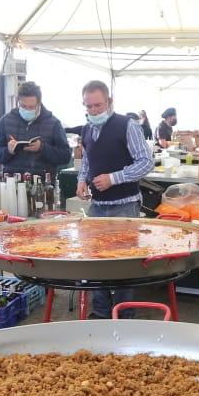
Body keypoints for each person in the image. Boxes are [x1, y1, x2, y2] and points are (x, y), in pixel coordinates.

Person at [74, 80, 154, 318]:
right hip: (98, 207)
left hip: (125, 206)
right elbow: (87, 161)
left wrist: (114, 178)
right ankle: (100, 314)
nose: (94, 111)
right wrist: (81, 179)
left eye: (98, 105)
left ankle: (124, 317)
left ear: (109, 102)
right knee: (97, 262)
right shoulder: (87, 129)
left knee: (123, 265)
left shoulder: (127, 125)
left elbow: (146, 162)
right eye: (89, 107)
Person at [0, 81, 71, 180]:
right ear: (18, 101)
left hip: (42, 185)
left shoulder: (53, 123)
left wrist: (42, 148)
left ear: (39, 104)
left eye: (31, 107)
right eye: (23, 106)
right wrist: (8, 151)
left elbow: (65, 156)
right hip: (12, 184)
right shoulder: (6, 120)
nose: (27, 110)